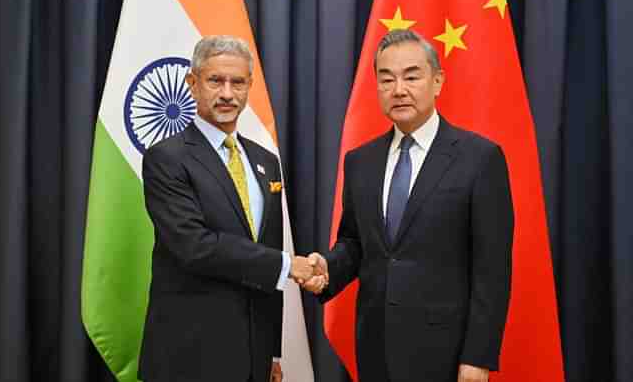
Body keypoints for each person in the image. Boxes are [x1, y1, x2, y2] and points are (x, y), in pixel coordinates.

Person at [304, 29, 514, 382]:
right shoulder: (361, 161)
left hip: (446, 354)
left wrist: (478, 357)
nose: (398, 89)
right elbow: (356, 243)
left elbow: (492, 270)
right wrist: (328, 268)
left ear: (437, 81)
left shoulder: (480, 158)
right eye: (386, 79)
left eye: (411, 76)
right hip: (374, 348)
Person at [138, 35, 314, 382]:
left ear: (250, 86)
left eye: (238, 82)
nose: (227, 94)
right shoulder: (167, 158)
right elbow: (194, 246)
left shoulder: (265, 162)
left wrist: (272, 350)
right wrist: (286, 265)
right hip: (190, 355)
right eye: (215, 80)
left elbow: (267, 251)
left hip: (253, 355)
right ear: (193, 83)